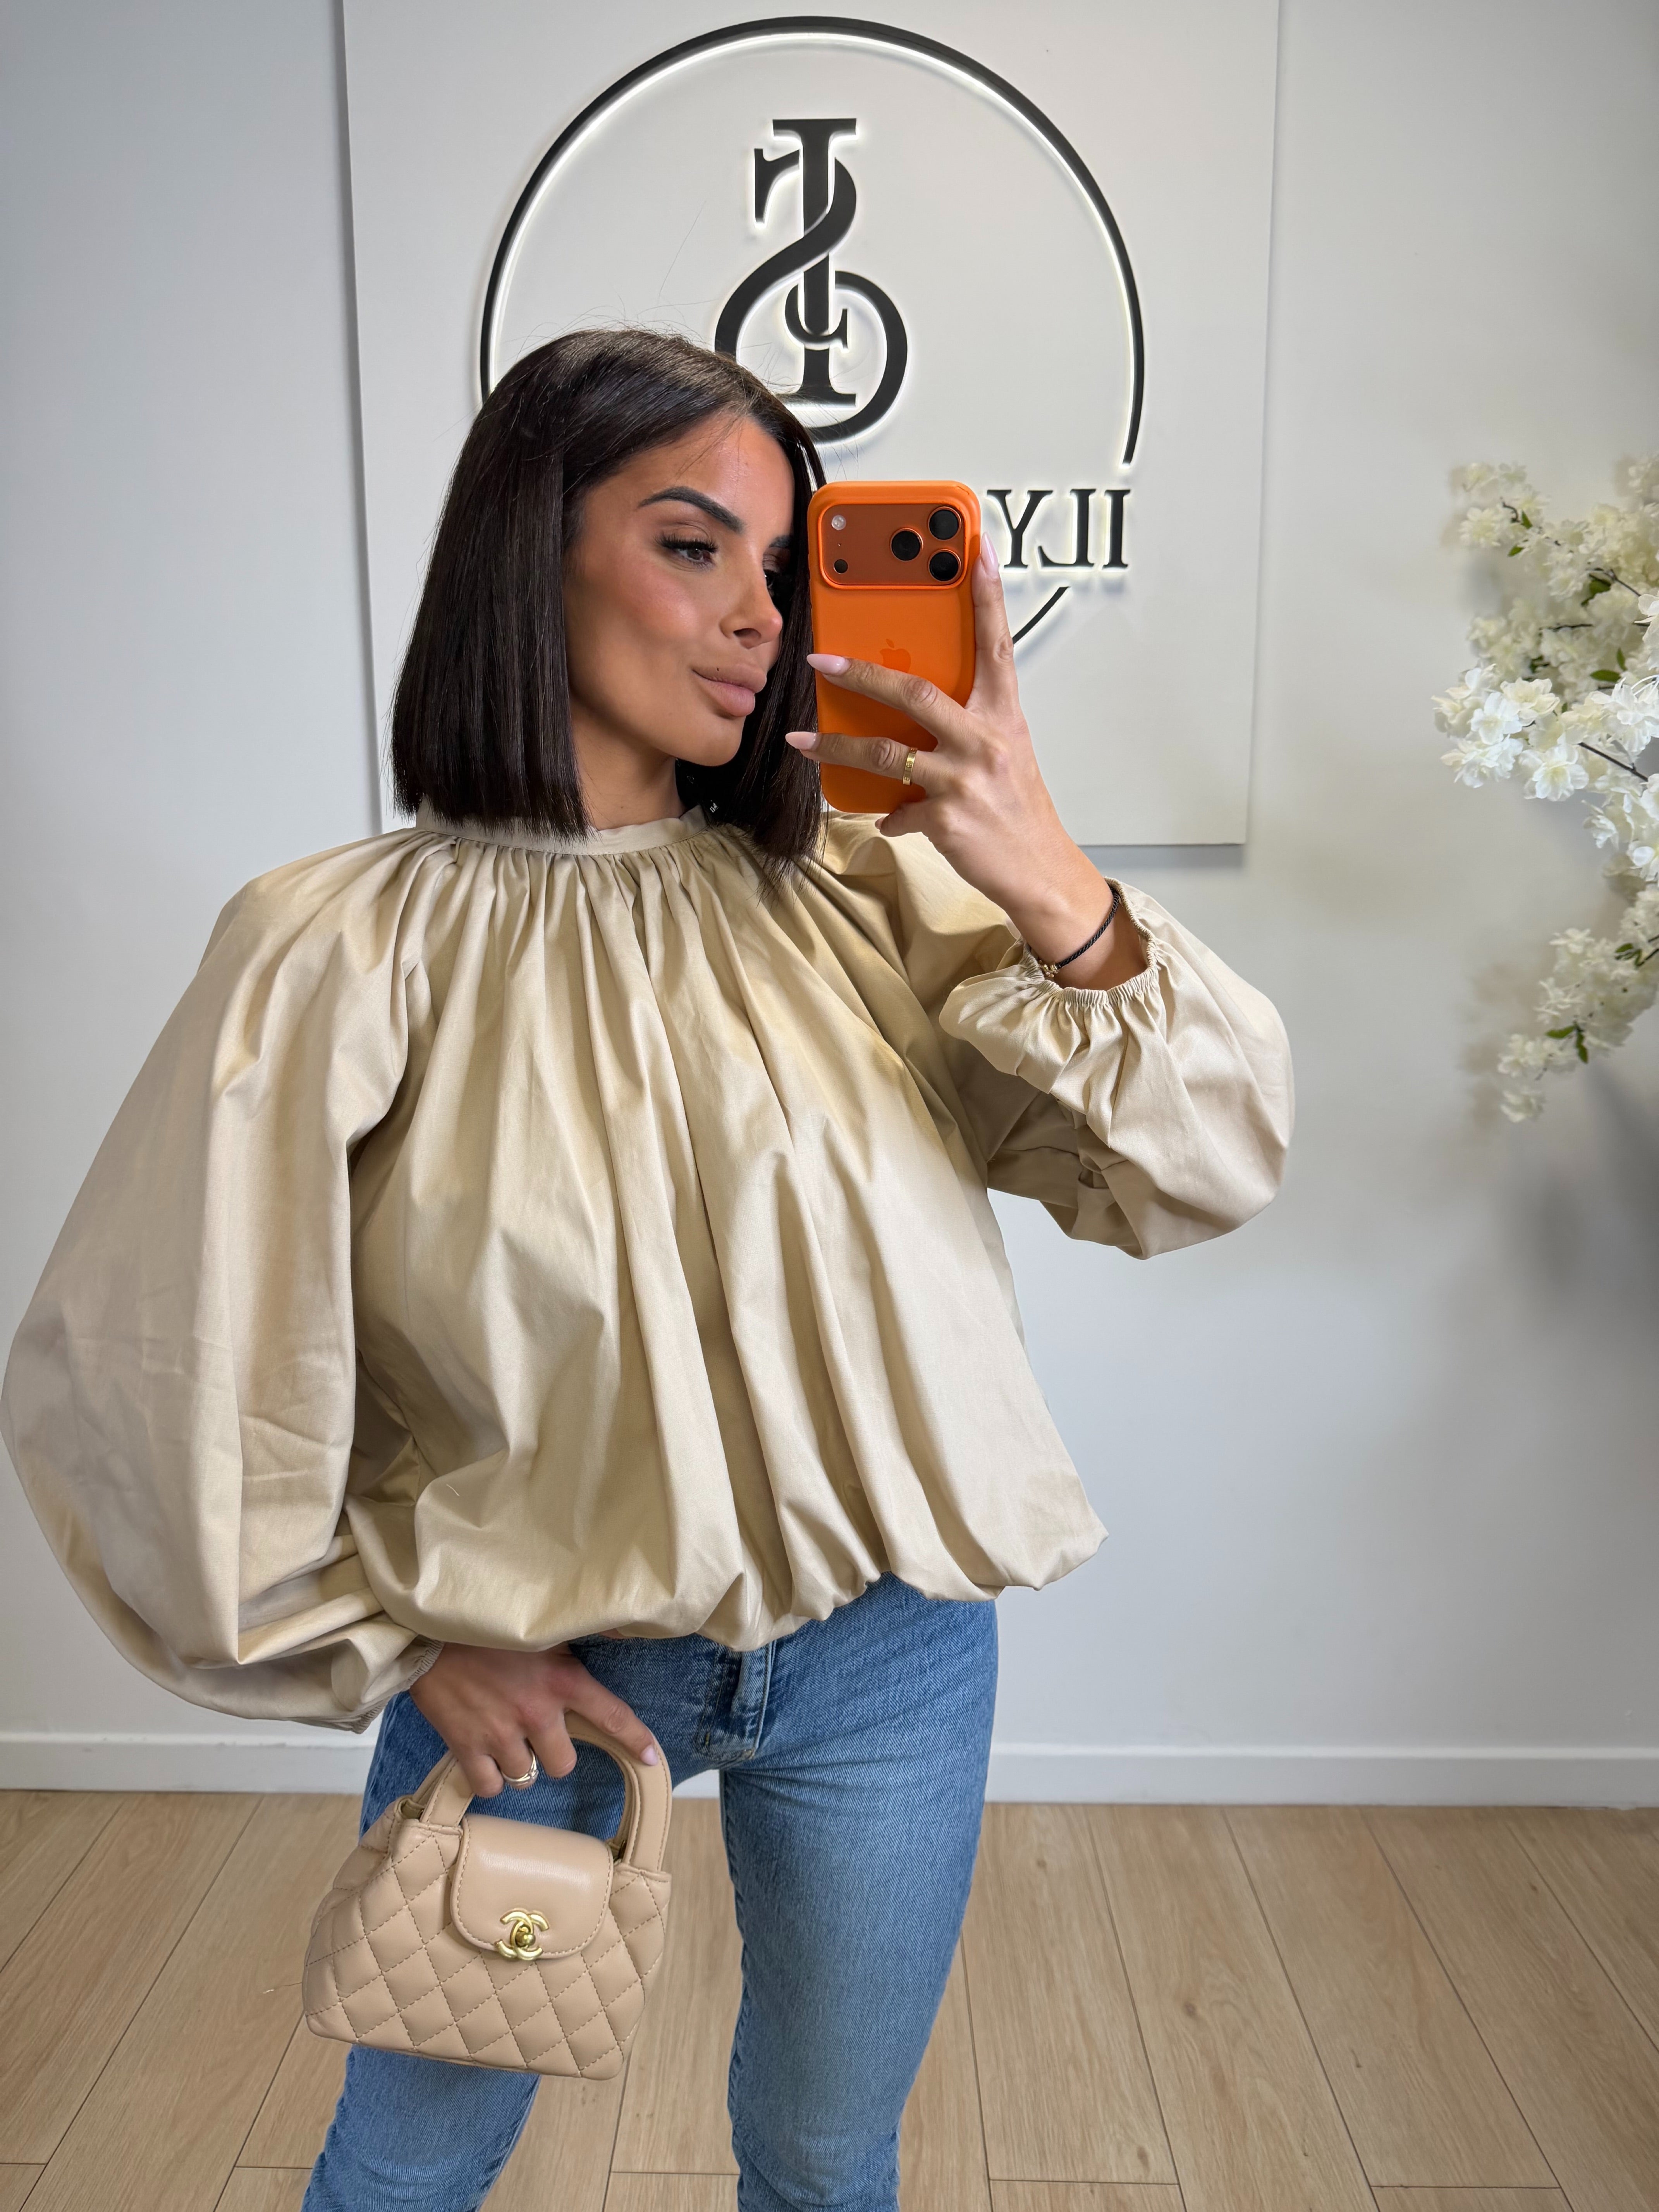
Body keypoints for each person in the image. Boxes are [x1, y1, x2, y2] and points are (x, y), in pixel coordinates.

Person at [0, 328, 1293, 2211]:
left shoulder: (860, 895)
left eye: (782, 563)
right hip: (545, 1671)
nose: (761, 615)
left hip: (890, 1653)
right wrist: (406, 1642)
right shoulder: (336, 950)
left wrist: (1046, 876)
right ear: (531, 552)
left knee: (828, 2160)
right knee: (402, 2175)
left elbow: (1201, 1162)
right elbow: (164, 1361)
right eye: (694, 547)